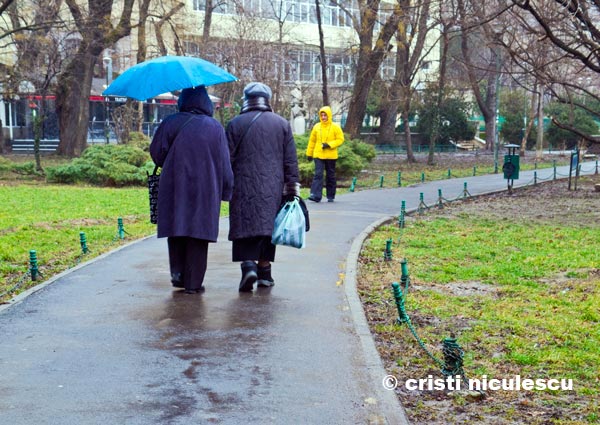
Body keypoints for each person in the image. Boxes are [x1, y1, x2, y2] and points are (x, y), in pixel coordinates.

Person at [150, 86, 234, 294]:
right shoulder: (215, 127)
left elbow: (157, 153)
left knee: (176, 226)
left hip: (174, 184)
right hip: (206, 188)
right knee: (199, 232)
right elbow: (224, 161)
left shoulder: (170, 122)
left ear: (183, 102)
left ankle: (178, 274)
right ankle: (193, 283)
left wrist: (172, 158)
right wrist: (227, 189)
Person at [226, 82, 300, 292]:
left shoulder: (235, 124)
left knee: (244, 223)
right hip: (272, 185)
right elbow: (290, 160)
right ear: (267, 99)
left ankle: (248, 266)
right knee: (268, 227)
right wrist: (292, 189)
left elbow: (226, 158)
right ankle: (264, 272)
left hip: (242, 184)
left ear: (246, 99)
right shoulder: (281, 124)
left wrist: (225, 185)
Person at [306, 106, 344, 202]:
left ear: (329, 115)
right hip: (318, 155)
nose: (323, 117)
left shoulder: (335, 127)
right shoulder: (316, 127)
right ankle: (315, 195)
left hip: (331, 156)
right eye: (322, 115)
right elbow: (312, 141)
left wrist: (329, 145)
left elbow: (340, 139)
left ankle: (330, 195)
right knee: (318, 174)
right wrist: (309, 153)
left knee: (330, 175)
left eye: (325, 115)